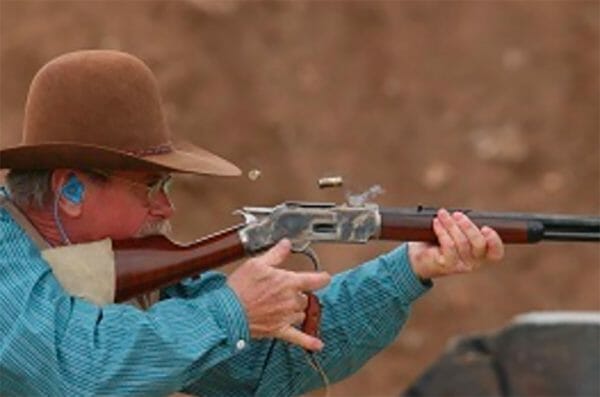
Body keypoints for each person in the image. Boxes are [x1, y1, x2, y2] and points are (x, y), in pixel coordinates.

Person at [0, 50, 504, 397]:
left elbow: (266, 370)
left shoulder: (116, 274)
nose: (165, 209)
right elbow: (75, 371)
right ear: (70, 190)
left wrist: (410, 269)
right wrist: (231, 312)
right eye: (149, 187)